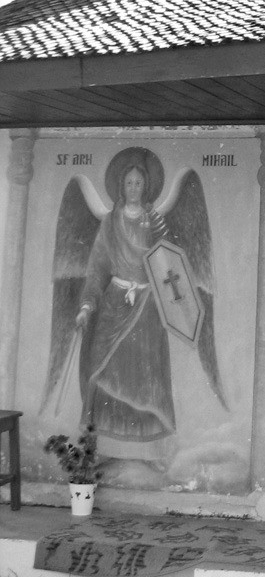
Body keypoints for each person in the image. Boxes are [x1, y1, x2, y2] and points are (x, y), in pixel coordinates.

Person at [75, 163, 175, 462]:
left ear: (146, 187)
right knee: (99, 370)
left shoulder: (154, 221)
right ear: (121, 185)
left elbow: (168, 263)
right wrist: (86, 306)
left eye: (138, 183)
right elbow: (97, 268)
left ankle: (154, 453)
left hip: (146, 307)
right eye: (129, 182)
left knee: (148, 379)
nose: (133, 188)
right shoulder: (110, 222)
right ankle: (96, 451)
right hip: (114, 303)